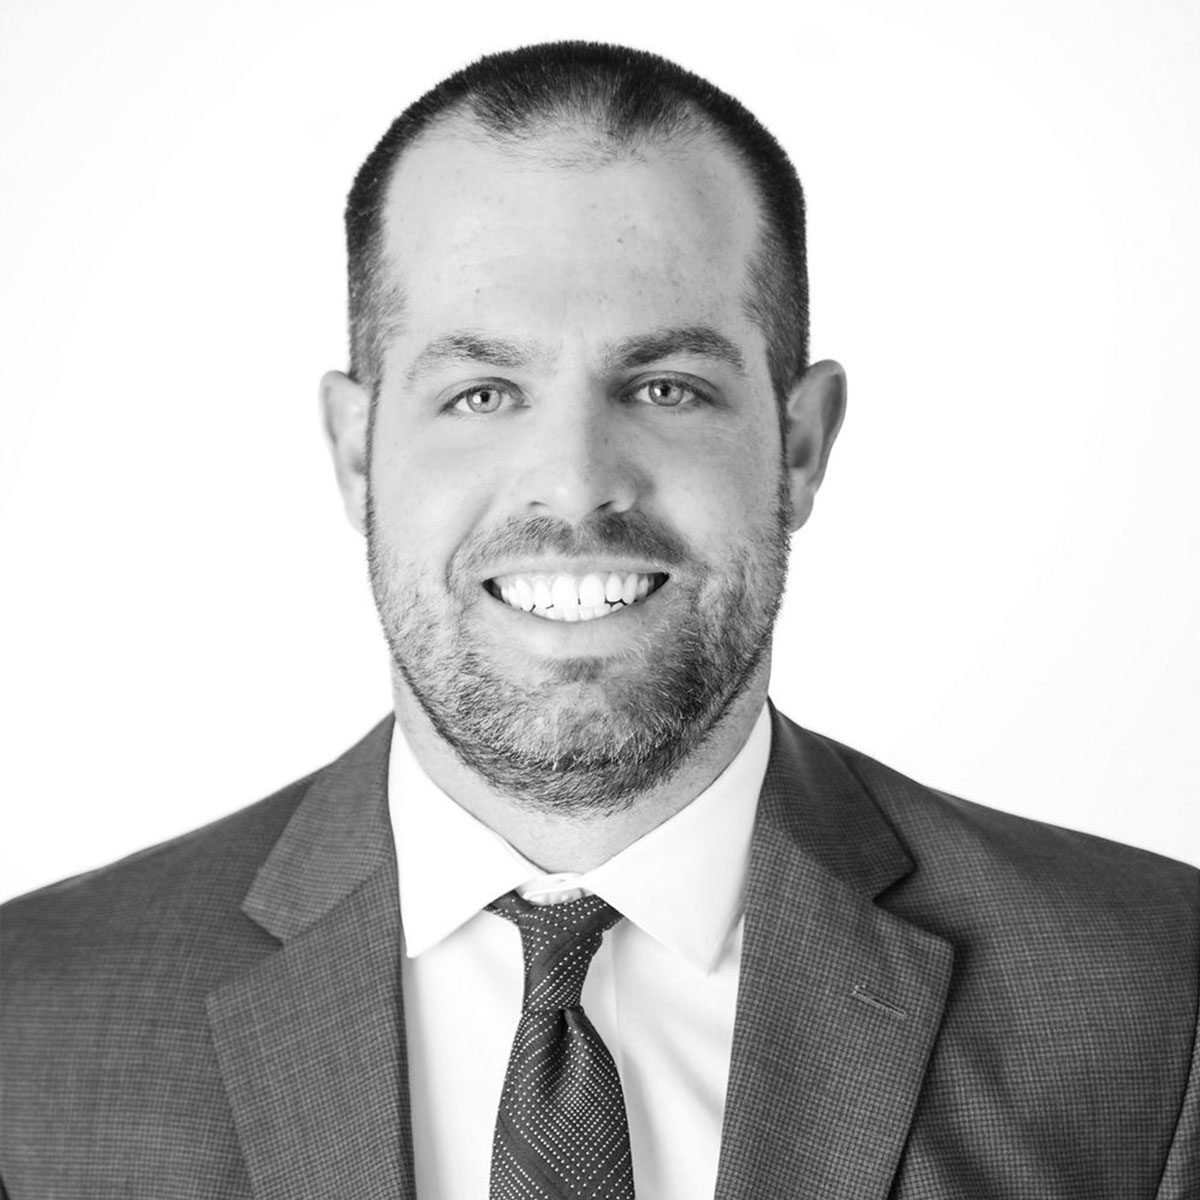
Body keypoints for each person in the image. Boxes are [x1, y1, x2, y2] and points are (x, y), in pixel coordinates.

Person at [1, 39, 1196, 1200]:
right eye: (483, 392)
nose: (574, 485)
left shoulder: (1158, 1004)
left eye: (666, 387)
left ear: (800, 444)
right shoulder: (30, 1022)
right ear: (356, 452)